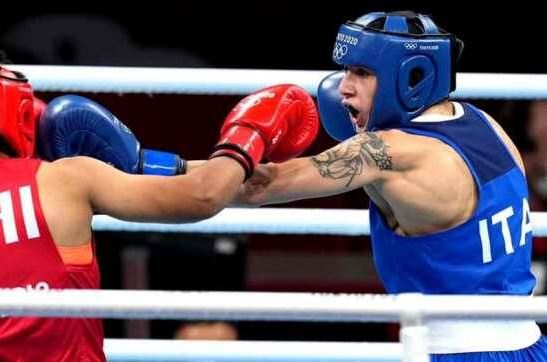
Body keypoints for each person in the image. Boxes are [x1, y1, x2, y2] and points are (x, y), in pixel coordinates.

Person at [0, 49, 319, 361]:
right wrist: (247, 137)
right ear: (20, 116)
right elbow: (203, 194)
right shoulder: (65, 179)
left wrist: (145, 164)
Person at [226, 11, 547, 360]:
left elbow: (258, 186)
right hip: (530, 345)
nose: (343, 87)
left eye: (361, 73)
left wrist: (201, 159)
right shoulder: (486, 125)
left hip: (455, 353)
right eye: (346, 70)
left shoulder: (386, 152)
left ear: (412, 76)